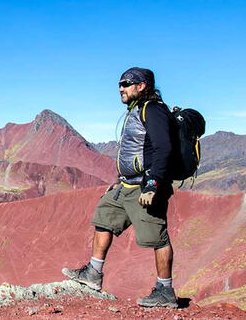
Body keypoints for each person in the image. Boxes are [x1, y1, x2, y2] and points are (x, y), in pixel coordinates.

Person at [62, 67, 178, 308]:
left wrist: (153, 185)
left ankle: (165, 291)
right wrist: (118, 180)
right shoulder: (135, 111)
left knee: (156, 238)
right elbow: (133, 151)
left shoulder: (153, 110)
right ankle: (93, 273)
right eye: (119, 84)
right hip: (125, 186)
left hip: (145, 188)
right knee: (104, 217)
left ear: (142, 86)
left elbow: (163, 148)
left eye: (126, 83)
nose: (120, 88)